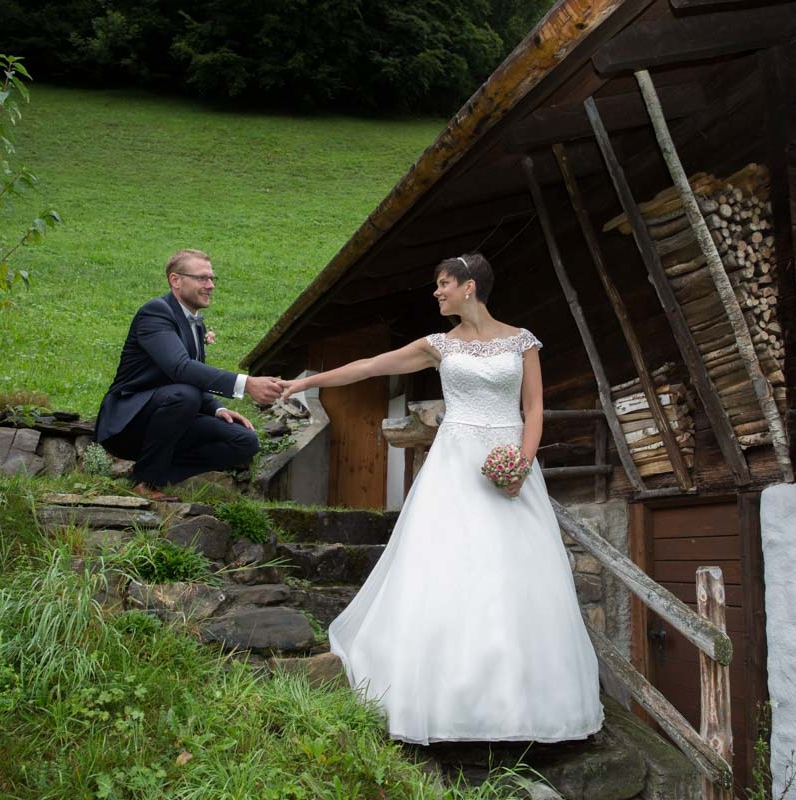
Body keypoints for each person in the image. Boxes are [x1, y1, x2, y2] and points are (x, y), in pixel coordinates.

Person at [279, 252, 603, 744]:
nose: (437, 292)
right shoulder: (438, 346)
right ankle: (438, 697)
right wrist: (309, 381)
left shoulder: (522, 342)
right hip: (454, 464)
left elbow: (534, 407)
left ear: (469, 287)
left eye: (443, 283)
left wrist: (522, 462)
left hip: (509, 460)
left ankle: (519, 707)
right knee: (446, 565)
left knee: (518, 574)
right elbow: (369, 366)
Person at [95, 249, 283, 501]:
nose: (211, 285)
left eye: (212, 278)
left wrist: (216, 409)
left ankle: (154, 474)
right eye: (202, 278)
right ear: (176, 280)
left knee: (244, 441)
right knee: (185, 395)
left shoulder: (196, 323)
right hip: (128, 423)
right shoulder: (155, 313)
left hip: (172, 414)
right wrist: (246, 383)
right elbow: (180, 369)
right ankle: (147, 482)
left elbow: (190, 377)